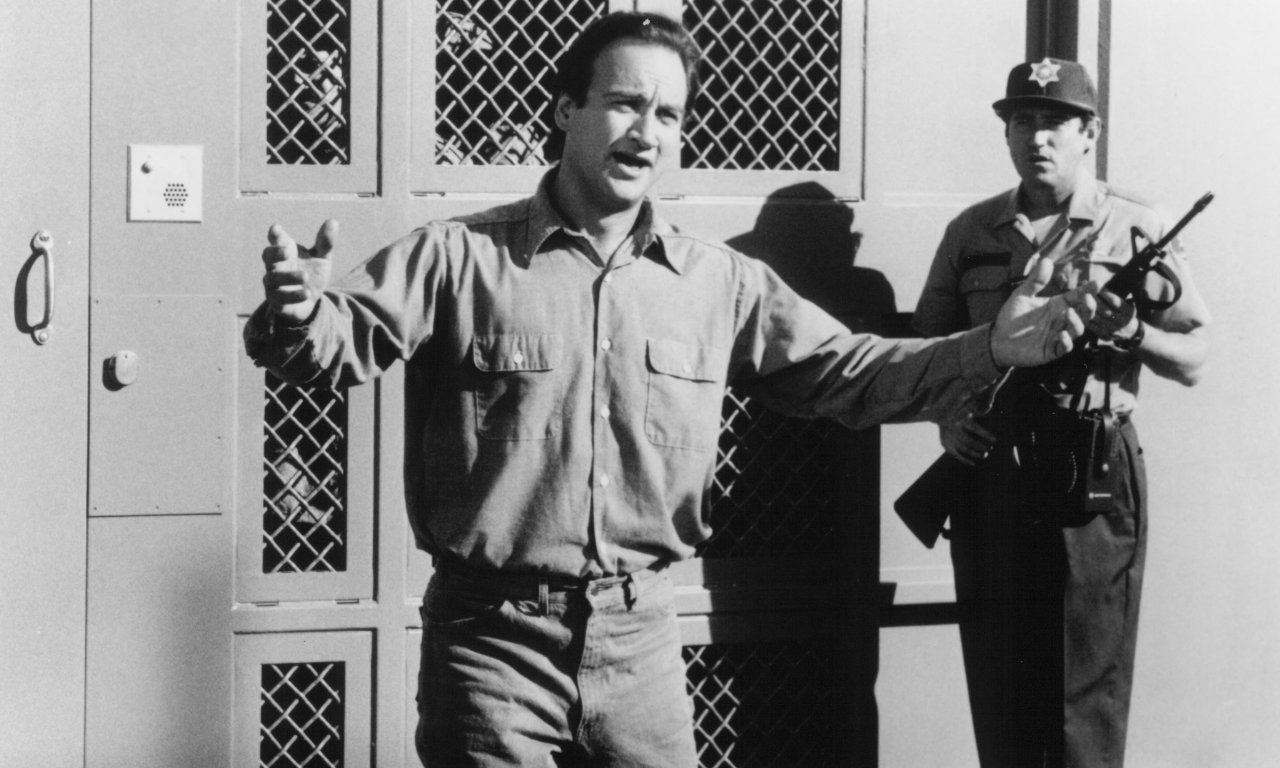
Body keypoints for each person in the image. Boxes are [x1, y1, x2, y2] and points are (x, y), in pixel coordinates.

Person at [245, 14, 1100, 767]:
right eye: (625, 103)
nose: (646, 132)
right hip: (490, 646)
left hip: (640, 645)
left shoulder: (716, 282)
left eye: (667, 114)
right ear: (566, 111)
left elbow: (849, 371)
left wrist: (990, 349)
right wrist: (296, 315)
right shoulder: (456, 258)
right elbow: (334, 344)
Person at [910, 57, 1211, 767]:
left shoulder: (1135, 226)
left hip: (1091, 471)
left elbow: (1195, 356)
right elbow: (925, 353)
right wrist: (949, 418)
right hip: (992, 469)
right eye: (1023, 121)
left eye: (1056, 122)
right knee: (1001, 682)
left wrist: (1129, 333)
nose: (1037, 137)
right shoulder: (971, 231)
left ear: (1090, 134)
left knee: (1086, 695)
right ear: (1006, 133)